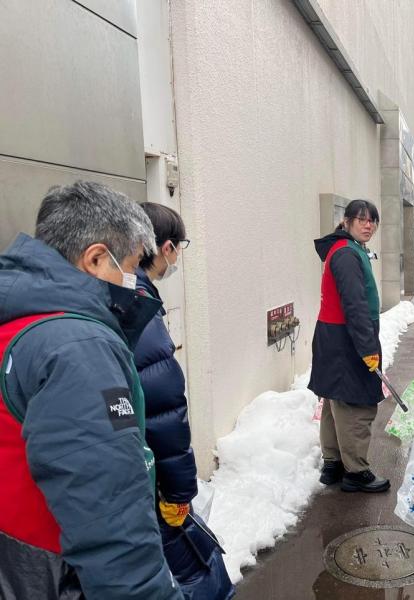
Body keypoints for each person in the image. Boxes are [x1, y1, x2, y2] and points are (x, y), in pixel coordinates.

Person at [0, 182, 182, 599]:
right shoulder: (77, 347)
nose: (136, 279)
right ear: (97, 258)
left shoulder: (20, 319)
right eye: (134, 264)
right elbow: (110, 518)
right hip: (57, 572)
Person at [135, 203, 234, 599]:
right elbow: (164, 409)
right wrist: (178, 492)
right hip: (150, 479)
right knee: (193, 575)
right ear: (168, 247)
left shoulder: (118, 297)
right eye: (180, 247)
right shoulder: (137, 307)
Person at [309, 200, 390, 493]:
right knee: (355, 404)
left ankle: (333, 463)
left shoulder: (347, 249)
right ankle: (356, 471)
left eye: (372, 221)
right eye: (361, 220)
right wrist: (368, 347)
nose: (368, 225)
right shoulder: (346, 253)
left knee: (335, 400)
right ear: (346, 222)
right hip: (346, 337)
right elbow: (354, 305)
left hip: (335, 336)